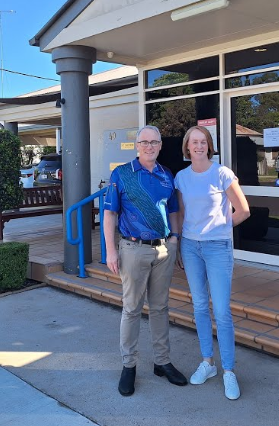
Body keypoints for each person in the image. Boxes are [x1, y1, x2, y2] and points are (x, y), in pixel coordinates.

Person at [103, 125, 187, 397]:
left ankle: (162, 362)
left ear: (160, 145)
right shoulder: (122, 174)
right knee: (132, 309)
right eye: (144, 142)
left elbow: (173, 210)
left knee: (161, 308)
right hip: (133, 249)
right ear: (137, 145)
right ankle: (129, 366)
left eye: (154, 142)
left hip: (163, 250)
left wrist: (175, 239)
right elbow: (109, 215)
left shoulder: (166, 175)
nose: (149, 146)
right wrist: (111, 251)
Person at [174, 125, 250, 400]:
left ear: (209, 145)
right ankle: (208, 363)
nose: (198, 146)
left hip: (217, 247)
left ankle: (228, 371)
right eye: (193, 142)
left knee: (221, 310)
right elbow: (181, 214)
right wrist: (180, 244)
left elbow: (243, 210)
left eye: (203, 141)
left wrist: (220, 227)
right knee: (198, 306)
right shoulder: (181, 177)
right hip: (191, 247)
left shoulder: (221, 172)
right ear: (187, 146)